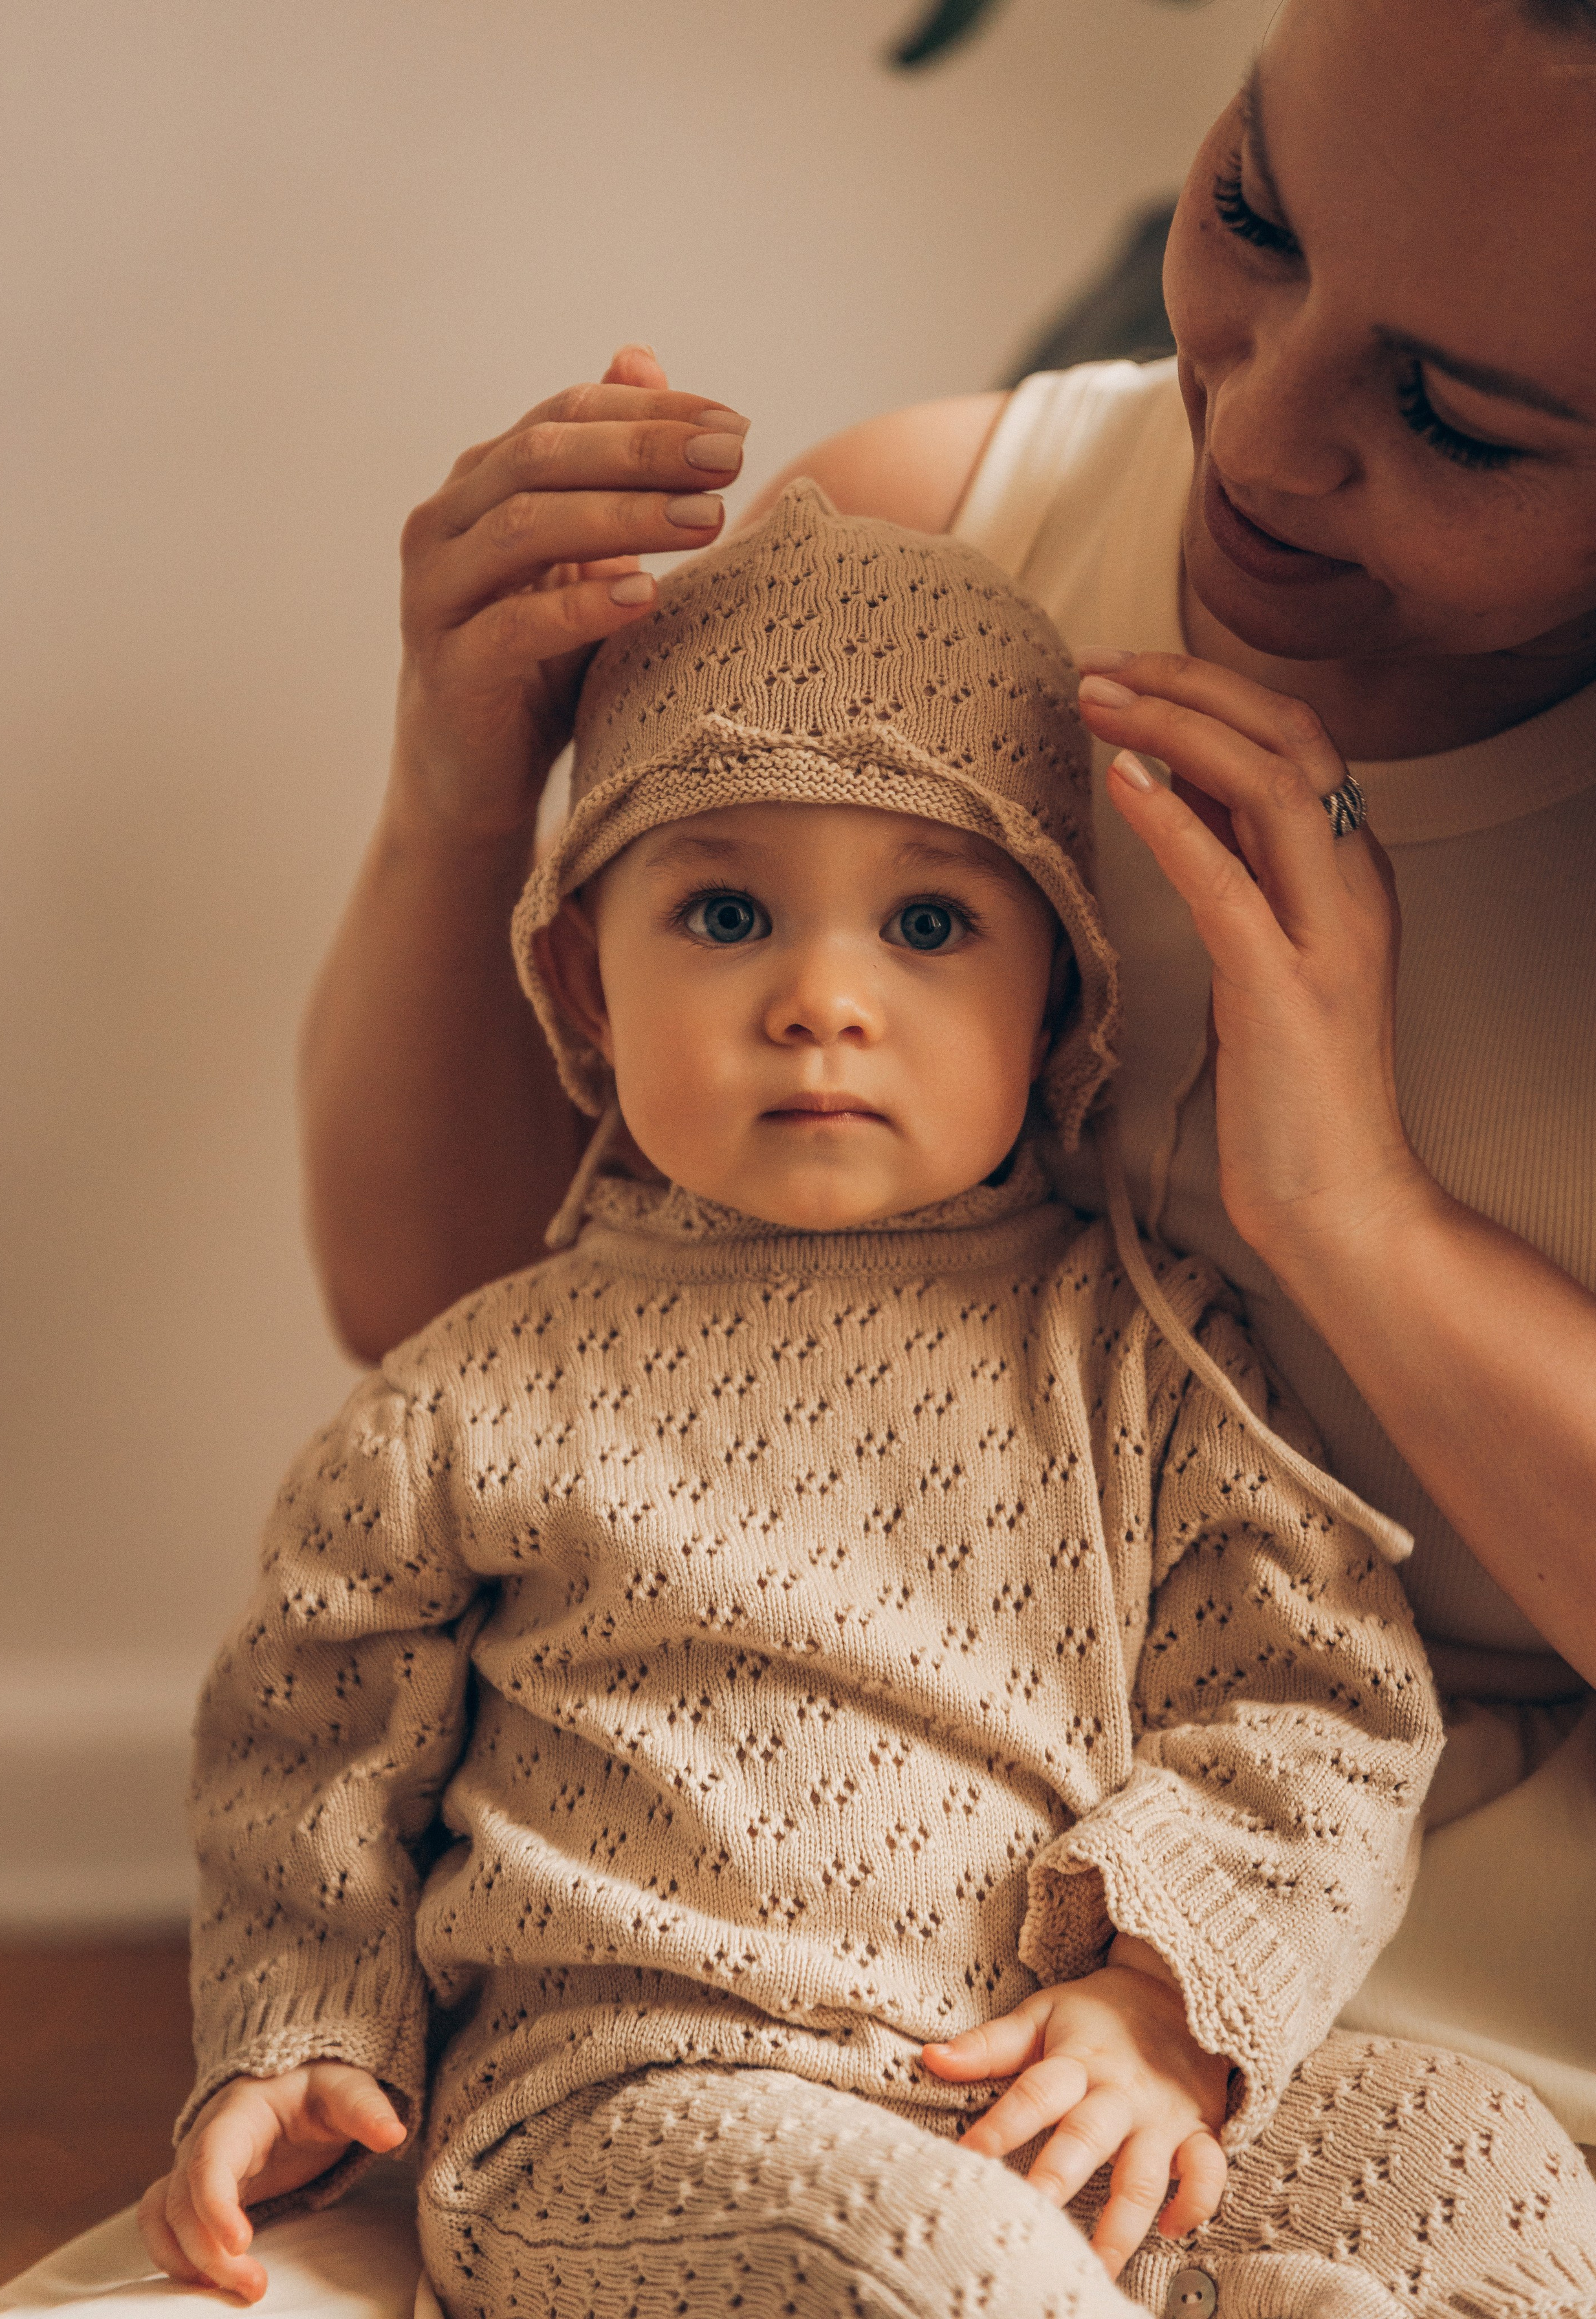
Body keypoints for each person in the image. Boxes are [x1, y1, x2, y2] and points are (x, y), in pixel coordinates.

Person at [297, 0, 1596, 2142]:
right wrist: (460, 806)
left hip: (1488, 2024)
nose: (1257, 441)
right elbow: (473, 1325)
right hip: (830, 1898)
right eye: (1251, 214)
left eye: (1455, 416)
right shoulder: (942, 539)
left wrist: (1349, 1207)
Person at [142, 495, 1595, 2316]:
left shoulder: (1146, 1354)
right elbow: (310, 1743)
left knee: (1469, 2163)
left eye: (927, 921)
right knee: (932, 2267)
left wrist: (1163, 2002)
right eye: (728, 911)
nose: (823, 999)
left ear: (1055, 988)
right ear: (589, 982)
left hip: (1031, 2083)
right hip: (639, 2105)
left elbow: (1311, 1708)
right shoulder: (478, 1388)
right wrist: (299, 2033)